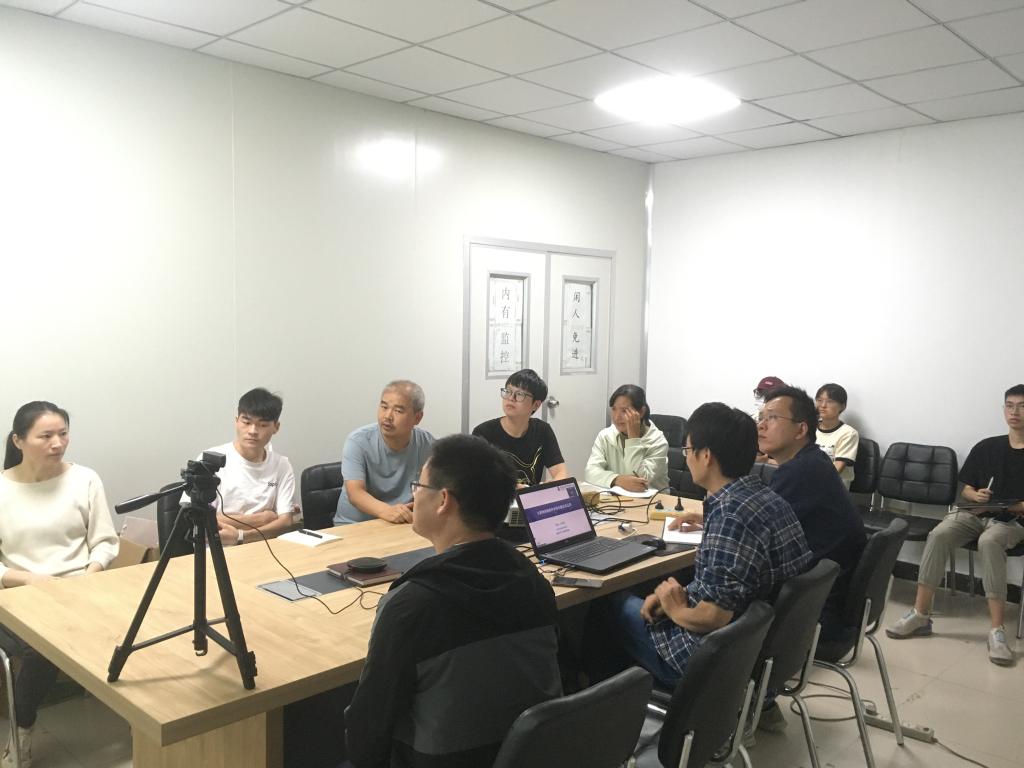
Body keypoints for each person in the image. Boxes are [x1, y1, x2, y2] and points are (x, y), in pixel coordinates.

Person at [344, 435, 561, 767]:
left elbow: (367, 733)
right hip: (527, 755)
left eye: (419, 486)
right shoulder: (534, 582)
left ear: (443, 500)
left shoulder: (411, 606)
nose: (414, 495)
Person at [589, 403, 811, 689]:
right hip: (759, 651)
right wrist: (677, 596)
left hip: (708, 661)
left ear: (706, 456)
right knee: (652, 592)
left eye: (687, 449)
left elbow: (713, 616)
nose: (687, 457)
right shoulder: (769, 499)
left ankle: (603, 700)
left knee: (608, 603)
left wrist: (675, 609)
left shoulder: (730, 517)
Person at [0, 401, 119, 768]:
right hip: (19, 598)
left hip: (80, 590)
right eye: (46, 436)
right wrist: (29, 579)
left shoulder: (85, 479)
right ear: (19, 440)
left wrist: (90, 575)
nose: (58, 443)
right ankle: (22, 732)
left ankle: (147, 727)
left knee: (143, 624)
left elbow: (105, 541)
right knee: (43, 646)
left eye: (63, 434)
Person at [887, 385, 1024, 667]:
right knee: (939, 534)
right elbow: (966, 489)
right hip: (975, 513)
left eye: (1022, 406)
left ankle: (997, 631)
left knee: (990, 541)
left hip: (1012, 520)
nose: (1015, 412)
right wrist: (976, 496)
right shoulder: (988, 446)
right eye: (1010, 406)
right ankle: (920, 614)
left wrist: (1009, 506)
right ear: (1003, 410)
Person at [756, 385, 866, 728]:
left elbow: (755, 530)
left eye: (772, 418)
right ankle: (760, 702)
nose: (761, 425)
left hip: (816, 615)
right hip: (826, 599)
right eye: (760, 417)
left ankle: (751, 701)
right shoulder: (812, 462)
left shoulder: (799, 472)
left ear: (801, 429)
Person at [196, 388, 299, 547]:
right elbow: (200, 518)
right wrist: (262, 519)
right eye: (246, 422)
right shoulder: (210, 460)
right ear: (236, 421)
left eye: (263, 424)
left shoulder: (282, 465)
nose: (253, 431)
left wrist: (241, 536)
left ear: (276, 427)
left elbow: (285, 522)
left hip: (266, 548)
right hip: (218, 550)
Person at [334, 381, 434, 525]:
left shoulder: (427, 444)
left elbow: (435, 489)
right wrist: (387, 511)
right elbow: (355, 493)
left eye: (398, 411)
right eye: (384, 407)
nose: (387, 416)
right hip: (354, 525)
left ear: (417, 418)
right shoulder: (358, 441)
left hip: (402, 523)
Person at [472, 369, 568, 485]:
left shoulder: (542, 430)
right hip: (497, 496)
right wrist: (512, 488)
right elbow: (476, 479)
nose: (511, 398)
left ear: (536, 405)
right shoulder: (483, 433)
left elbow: (560, 472)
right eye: (508, 391)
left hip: (530, 496)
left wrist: (549, 486)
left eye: (519, 394)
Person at [584, 384, 669, 493]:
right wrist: (617, 480)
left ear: (641, 412)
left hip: (652, 500)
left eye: (624, 410)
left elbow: (640, 480)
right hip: (617, 498)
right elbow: (590, 471)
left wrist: (633, 438)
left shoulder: (658, 442)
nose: (616, 417)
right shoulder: (605, 436)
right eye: (614, 409)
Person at [815, 383, 860, 488]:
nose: (823, 405)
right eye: (819, 400)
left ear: (842, 406)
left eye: (830, 401)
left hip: (834, 488)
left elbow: (836, 470)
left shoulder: (848, 434)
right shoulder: (807, 428)